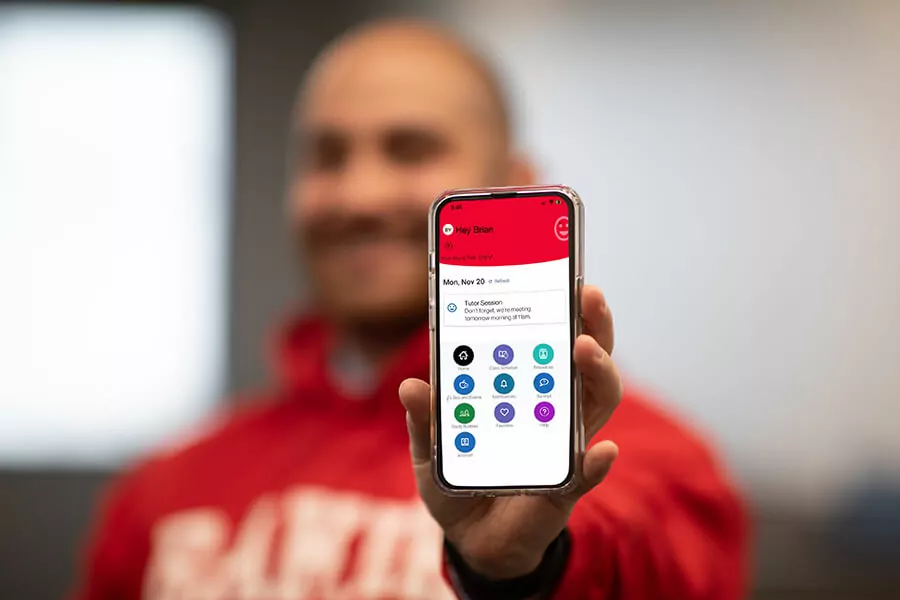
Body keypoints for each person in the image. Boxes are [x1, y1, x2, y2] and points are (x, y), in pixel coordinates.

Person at [73, 19, 748, 600]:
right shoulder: (162, 488)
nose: (360, 195)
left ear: (514, 186)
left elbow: (642, 564)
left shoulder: (650, 466)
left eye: (411, 149)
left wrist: (518, 570)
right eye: (327, 156)